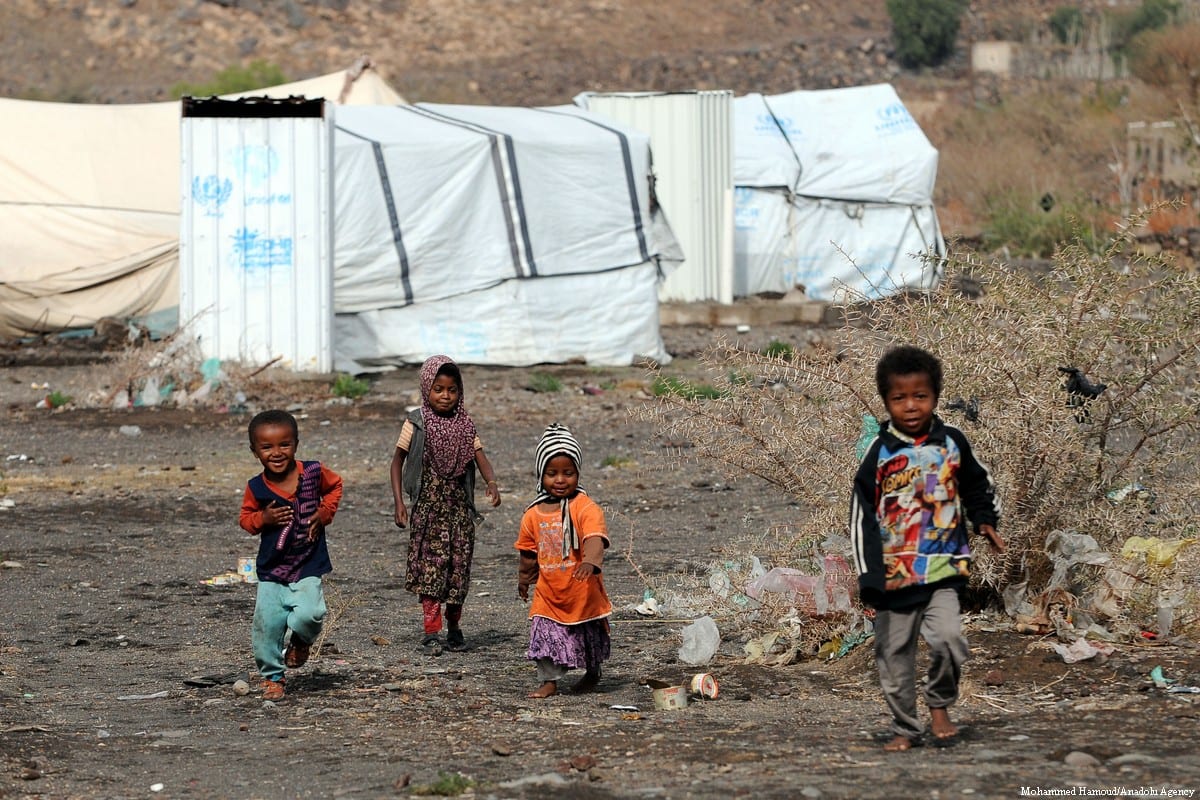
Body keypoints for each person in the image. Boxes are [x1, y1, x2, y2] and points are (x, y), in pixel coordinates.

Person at [849, 345, 1005, 752]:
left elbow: (976, 484)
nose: (911, 406)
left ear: (935, 395)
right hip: (894, 578)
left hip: (943, 570)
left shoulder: (952, 442)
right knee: (893, 658)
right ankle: (905, 726)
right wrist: (869, 576)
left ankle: (939, 704)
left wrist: (984, 519)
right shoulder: (879, 452)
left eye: (920, 396)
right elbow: (861, 513)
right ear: (885, 401)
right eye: (899, 398)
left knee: (950, 640)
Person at [390, 355, 501, 654]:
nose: (445, 396)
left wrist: (491, 483)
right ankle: (431, 632)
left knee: (457, 570)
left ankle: (454, 628)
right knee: (431, 570)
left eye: (452, 390)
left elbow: (479, 457)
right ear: (427, 388)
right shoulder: (416, 423)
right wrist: (400, 502)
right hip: (428, 510)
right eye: (438, 389)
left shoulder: (465, 425)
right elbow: (397, 462)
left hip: (459, 512)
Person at [239, 409, 344, 701]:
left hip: (308, 563)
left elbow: (336, 486)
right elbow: (246, 521)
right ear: (255, 451)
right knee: (267, 627)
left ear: (296, 444)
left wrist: (324, 513)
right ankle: (273, 677)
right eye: (267, 447)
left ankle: (300, 642)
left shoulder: (312, 472)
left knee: (312, 614)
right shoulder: (256, 487)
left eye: (284, 444)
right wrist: (264, 519)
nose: (276, 452)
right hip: (272, 570)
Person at [516, 423, 612, 699]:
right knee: (544, 634)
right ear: (540, 474)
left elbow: (595, 536)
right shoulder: (532, 514)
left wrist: (591, 561)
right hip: (549, 592)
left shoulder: (585, 506)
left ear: (578, 473)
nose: (560, 480)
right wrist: (524, 579)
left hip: (582, 591)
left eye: (568, 473)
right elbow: (527, 551)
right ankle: (549, 681)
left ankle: (592, 672)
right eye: (552, 473)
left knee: (587, 634)